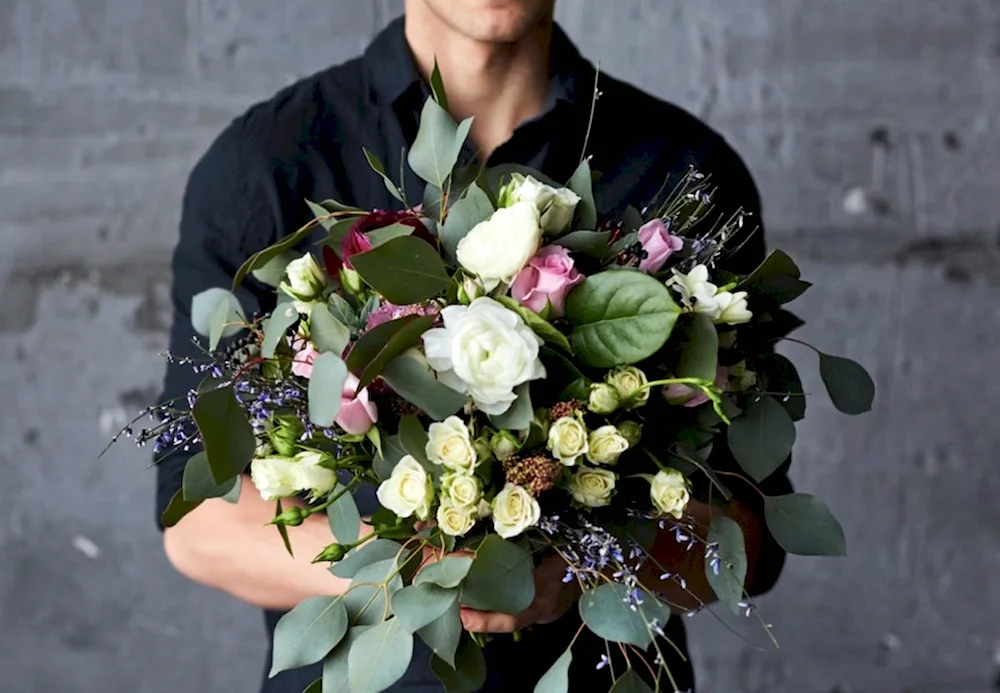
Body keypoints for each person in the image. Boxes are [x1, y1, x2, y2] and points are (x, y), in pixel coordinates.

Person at [156, 1, 792, 690]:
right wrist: (416, 577)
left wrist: (577, 564)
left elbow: (750, 542)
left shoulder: (680, 168)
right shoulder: (271, 162)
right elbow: (197, 522)